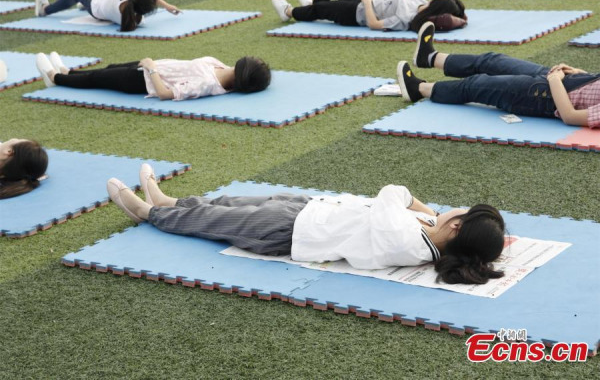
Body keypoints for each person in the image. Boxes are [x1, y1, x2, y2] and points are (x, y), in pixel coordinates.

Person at [106, 164, 507, 285]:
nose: (453, 209)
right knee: (229, 201)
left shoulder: (408, 240)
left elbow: (392, 188)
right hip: (311, 209)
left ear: (456, 229)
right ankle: (170, 201)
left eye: (460, 212)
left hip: (291, 231)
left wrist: (429, 211)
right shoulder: (427, 227)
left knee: (214, 219)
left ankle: (150, 213)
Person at [397, 21, 600, 128]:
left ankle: (419, 89)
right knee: (492, 60)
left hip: (544, 97)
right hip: (559, 79)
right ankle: (430, 57)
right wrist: (575, 72)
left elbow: (570, 116)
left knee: (477, 85)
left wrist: (555, 81)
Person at [35, 52, 271, 101]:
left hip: (140, 80)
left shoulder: (209, 84)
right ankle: (68, 71)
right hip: (151, 66)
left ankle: (54, 77)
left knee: (95, 80)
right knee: (107, 69)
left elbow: (166, 93)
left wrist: (151, 69)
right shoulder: (223, 67)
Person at [271, 0, 467, 32]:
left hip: (358, 13)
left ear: (438, 4)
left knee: (322, 9)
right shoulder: (420, 2)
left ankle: (288, 12)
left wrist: (366, 3)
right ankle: (311, 8)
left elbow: (374, 24)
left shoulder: (406, 20)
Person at [34, 0, 180, 32]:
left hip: (95, 5)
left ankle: (45, 9)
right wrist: (167, 7)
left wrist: (166, 5)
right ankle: (84, 6)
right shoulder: (138, 19)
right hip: (103, 12)